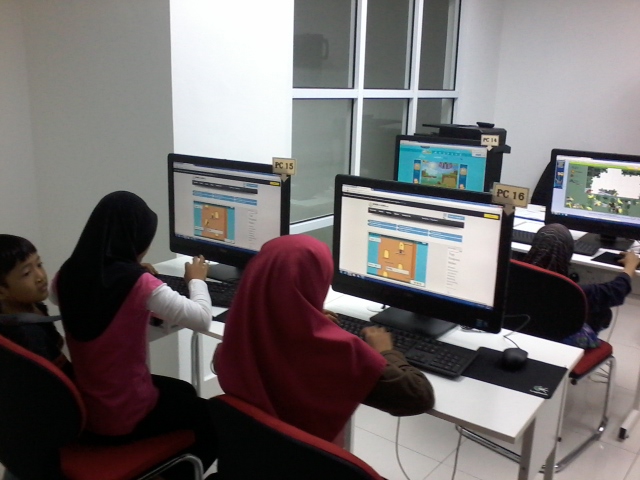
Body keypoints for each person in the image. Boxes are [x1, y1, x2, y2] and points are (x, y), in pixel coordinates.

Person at [53, 191, 217, 474]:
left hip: (85, 411)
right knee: (212, 420)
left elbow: (75, 300)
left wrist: (130, 271)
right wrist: (196, 280)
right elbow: (201, 318)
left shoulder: (66, 274)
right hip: (125, 416)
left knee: (184, 391)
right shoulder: (138, 284)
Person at [213, 234, 435, 444]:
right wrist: (386, 351)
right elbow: (418, 396)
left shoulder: (236, 341)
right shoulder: (339, 355)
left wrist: (305, 317)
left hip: (253, 456)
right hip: (309, 460)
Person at [523, 223, 640, 348]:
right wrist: (630, 267)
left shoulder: (514, 277)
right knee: (603, 313)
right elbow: (616, 290)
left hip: (521, 334)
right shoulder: (572, 292)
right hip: (557, 343)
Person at [0, 234, 71, 376]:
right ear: (1, 291)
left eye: (39, 264)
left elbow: (57, 344)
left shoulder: (35, 306)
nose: (40, 277)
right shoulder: (28, 334)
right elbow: (54, 380)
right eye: (26, 273)